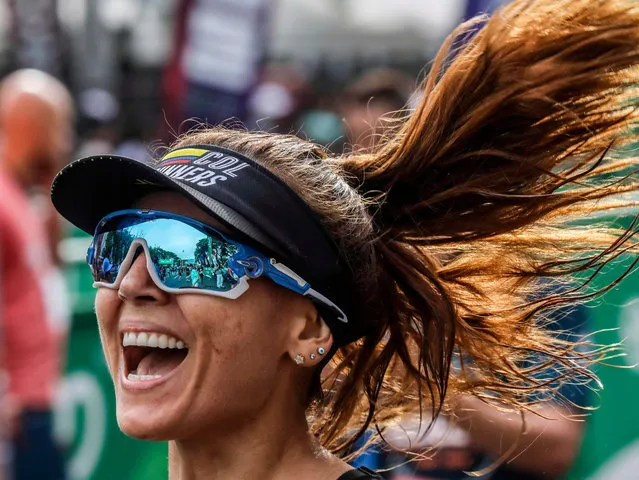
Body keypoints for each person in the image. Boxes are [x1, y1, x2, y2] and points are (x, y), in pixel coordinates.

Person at [49, 1, 639, 478]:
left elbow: (558, 444)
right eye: (115, 244)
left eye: (191, 256)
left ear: (307, 329)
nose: (130, 282)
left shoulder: (537, 289)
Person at [0, 69, 73, 479]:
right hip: (16, 411)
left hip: (34, 403)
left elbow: (48, 272)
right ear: (31, 124)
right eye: (60, 126)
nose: (64, 140)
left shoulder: (17, 196)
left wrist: (50, 186)